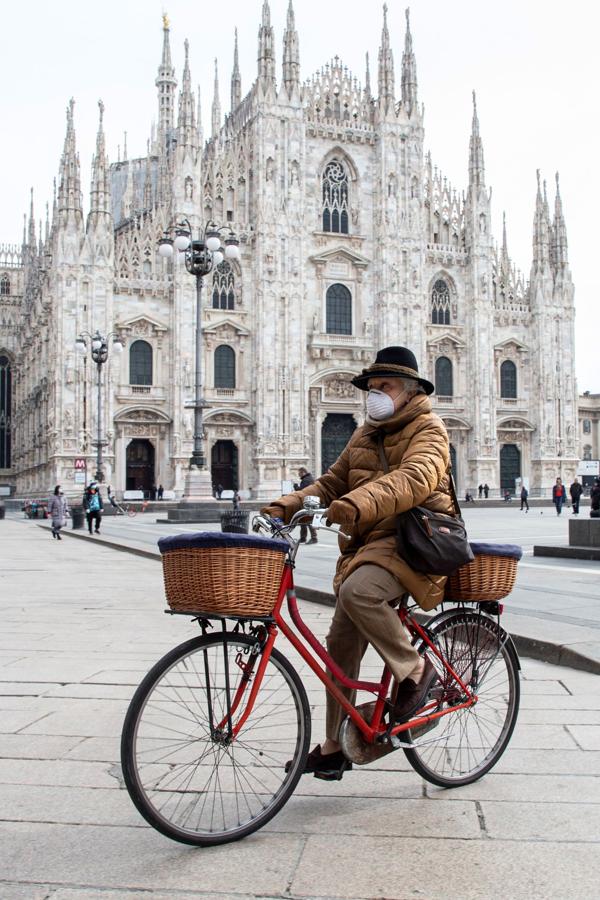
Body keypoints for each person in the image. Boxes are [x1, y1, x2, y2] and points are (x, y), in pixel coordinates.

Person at [262, 346, 453, 780]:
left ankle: (417, 670)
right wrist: (286, 505)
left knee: (359, 591)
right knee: (339, 647)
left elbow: (416, 478)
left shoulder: (430, 428)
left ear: (408, 391)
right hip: (369, 544)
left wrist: (356, 503)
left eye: (384, 387)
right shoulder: (365, 433)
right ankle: (334, 745)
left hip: (413, 540)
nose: (374, 395)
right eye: (371, 388)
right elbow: (332, 481)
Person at [293, 467, 318, 543]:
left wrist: (296, 487)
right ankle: (303, 537)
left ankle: (314, 538)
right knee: (303, 519)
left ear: (303, 472)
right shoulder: (309, 478)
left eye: (299, 473)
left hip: (308, 502)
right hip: (309, 501)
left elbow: (302, 491)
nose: (299, 475)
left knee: (308, 520)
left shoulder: (306, 480)